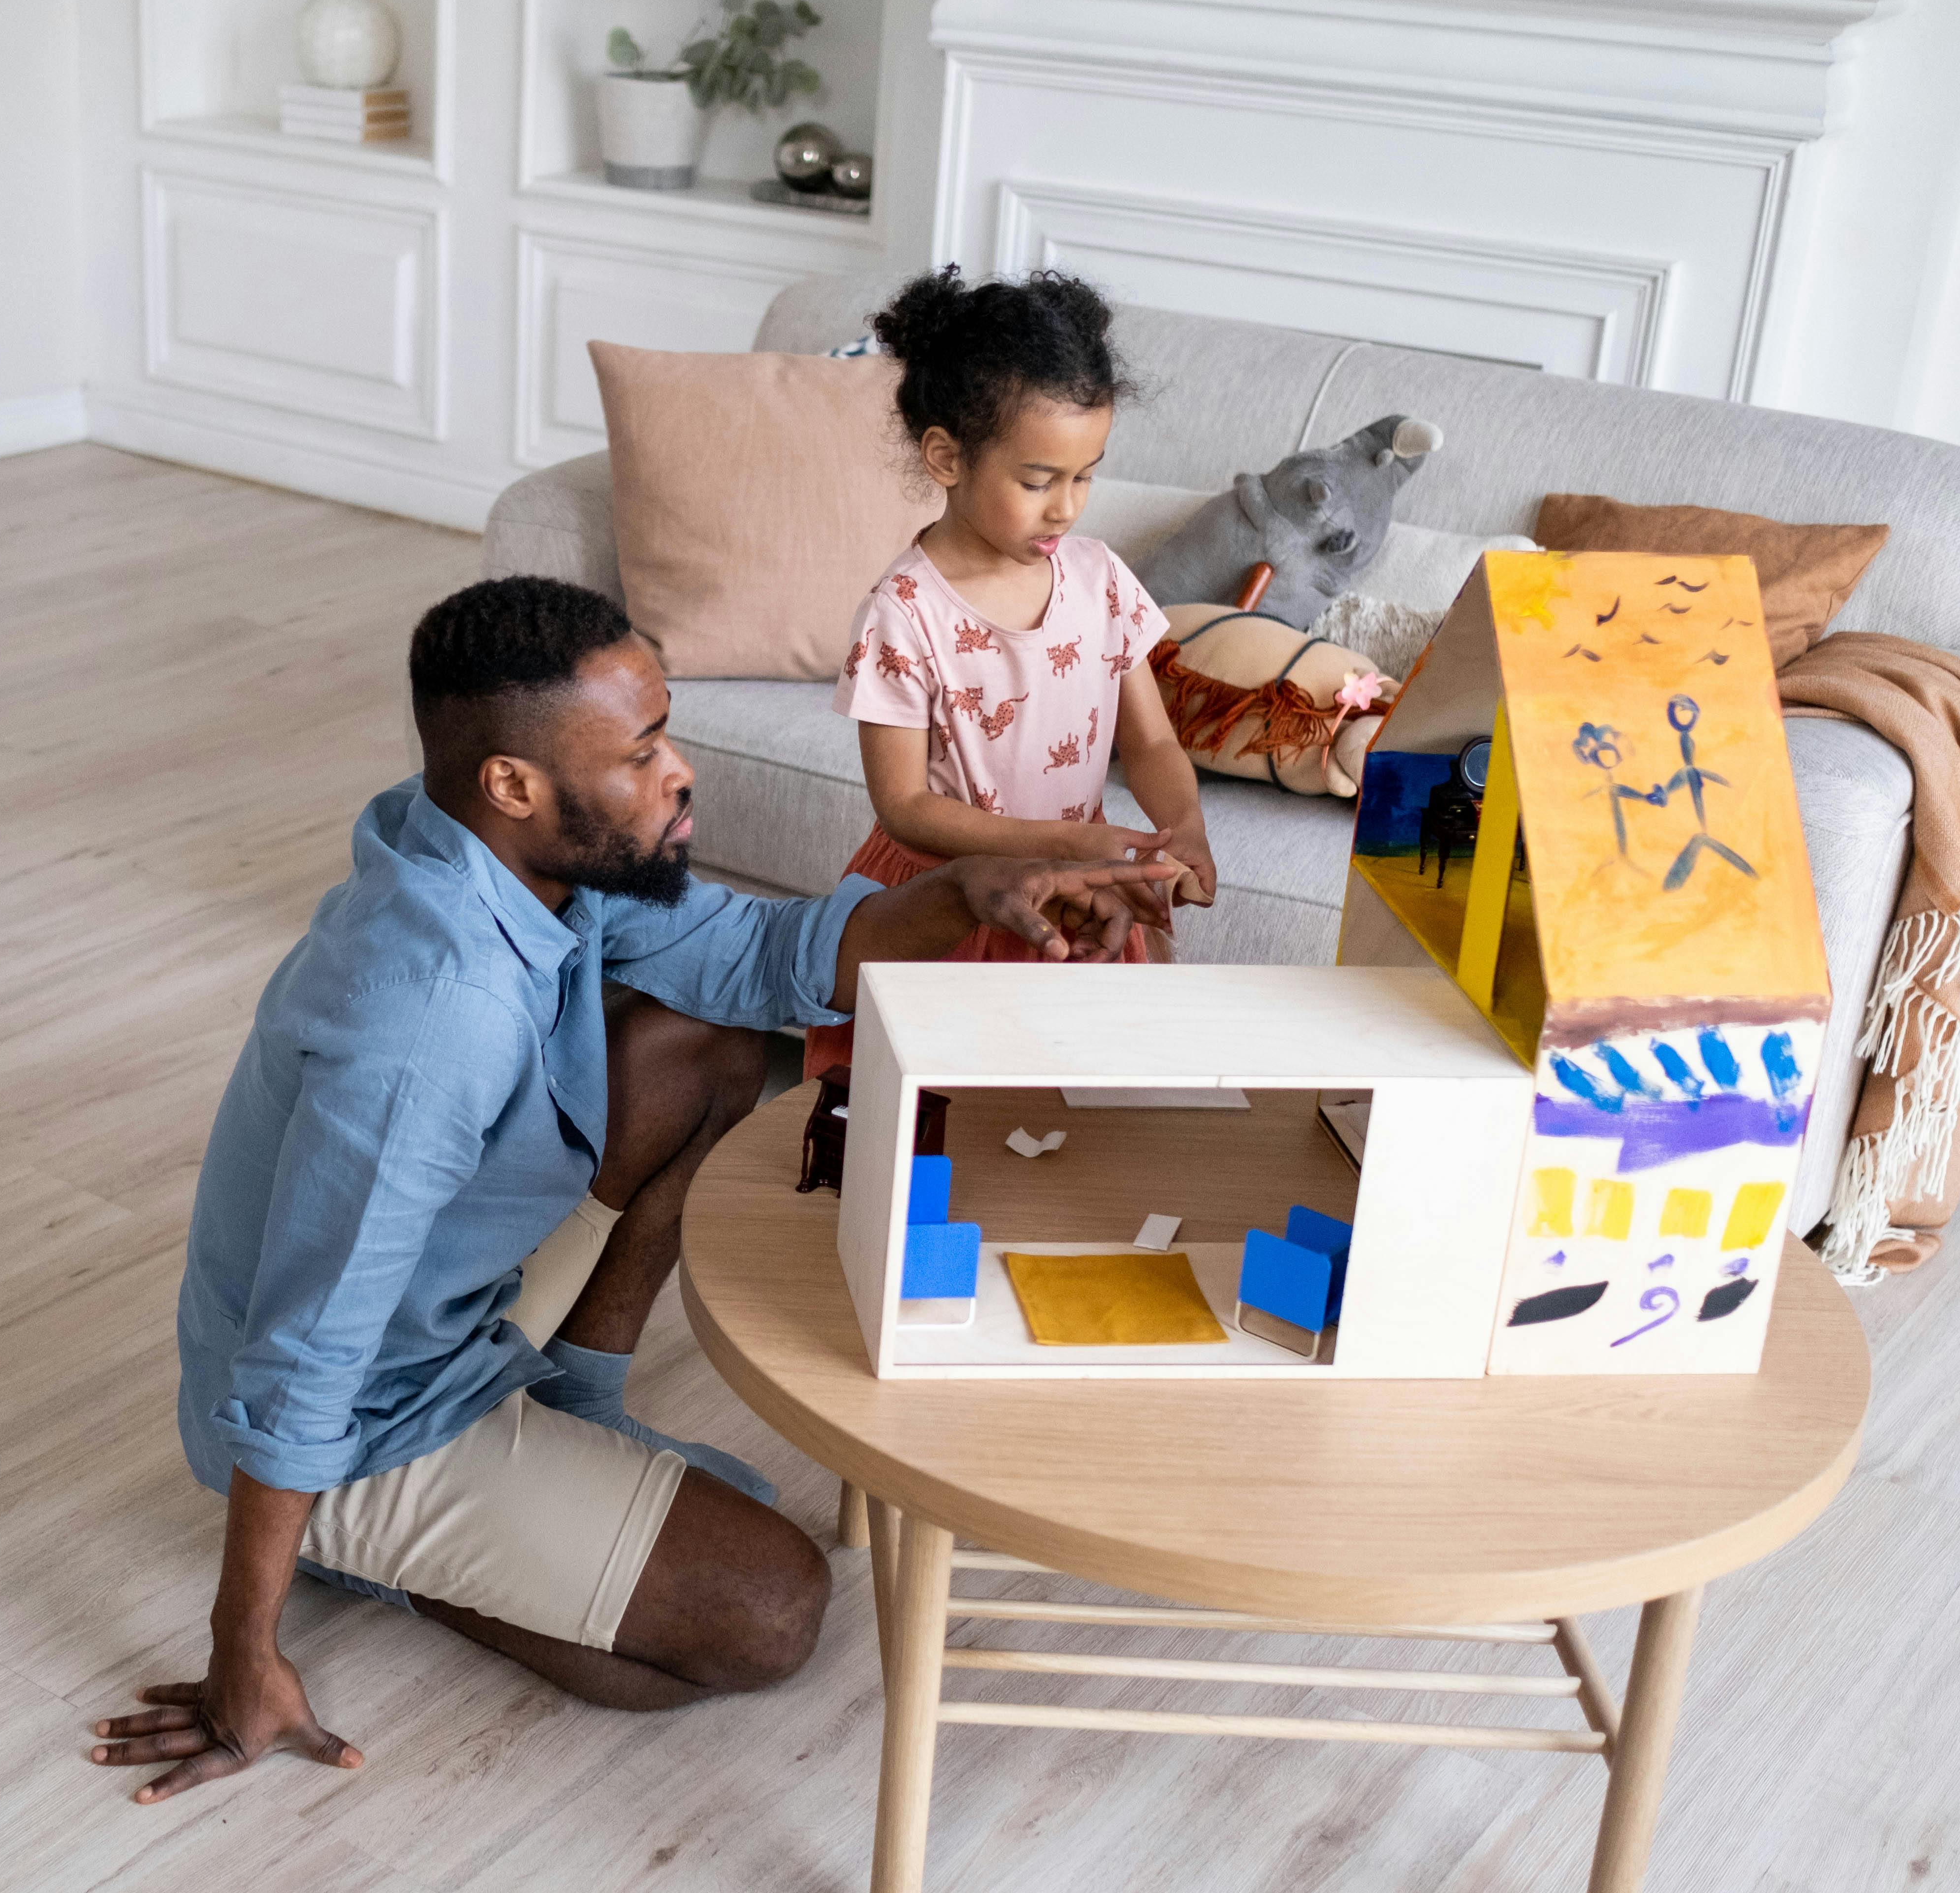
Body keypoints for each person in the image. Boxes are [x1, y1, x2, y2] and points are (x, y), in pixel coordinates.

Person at [89, 576, 1181, 1804]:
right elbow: (307, 1351)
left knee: (706, 1043)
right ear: (515, 781)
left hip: (444, 1313)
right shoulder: (429, 1021)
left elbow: (763, 956)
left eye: (666, 733)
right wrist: (245, 1649)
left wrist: (969, 891)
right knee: (766, 1613)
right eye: (645, 750)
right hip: (363, 1423)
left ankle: (572, 1411)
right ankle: (382, 1558)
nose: (681, 774)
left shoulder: (515, 851)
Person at [808, 266, 1218, 1077]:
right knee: (940, 1113)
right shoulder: (905, 613)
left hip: (1083, 894)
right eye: (1038, 481)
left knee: (1072, 1105)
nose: (1066, 507)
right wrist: (1076, 841)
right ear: (947, 457)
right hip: (951, 903)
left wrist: (1187, 832)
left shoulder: (1100, 579)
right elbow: (904, 809)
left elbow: (1155, 746)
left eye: (1086, 474)